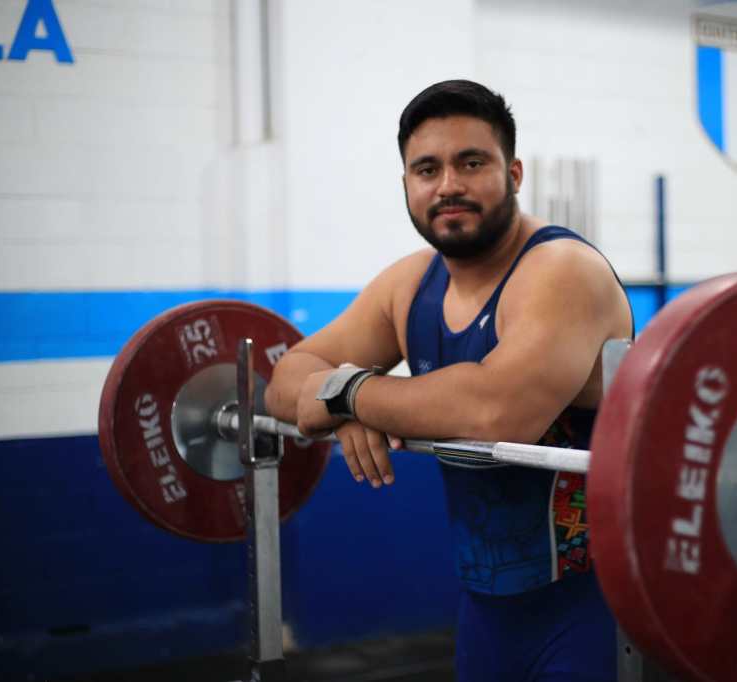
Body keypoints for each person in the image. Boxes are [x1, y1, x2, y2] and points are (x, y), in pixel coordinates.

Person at [264, 79, 633, 681]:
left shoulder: (562, 271)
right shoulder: (410, 285)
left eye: (471, 162)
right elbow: (286, 381)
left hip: (594, 613)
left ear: (514, 174)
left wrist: (350, 393)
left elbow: (497, 412)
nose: (448, 185)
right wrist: (348, 403)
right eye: (427, 169)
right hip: (485, 620)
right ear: (407, 185)